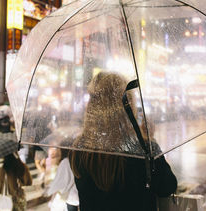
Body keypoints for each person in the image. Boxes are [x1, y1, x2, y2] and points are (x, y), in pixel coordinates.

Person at [69, 72, 177, 211]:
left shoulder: (80, 148)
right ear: (126, 106)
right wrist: (148, 140)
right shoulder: (142, 148)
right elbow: (167, 187)